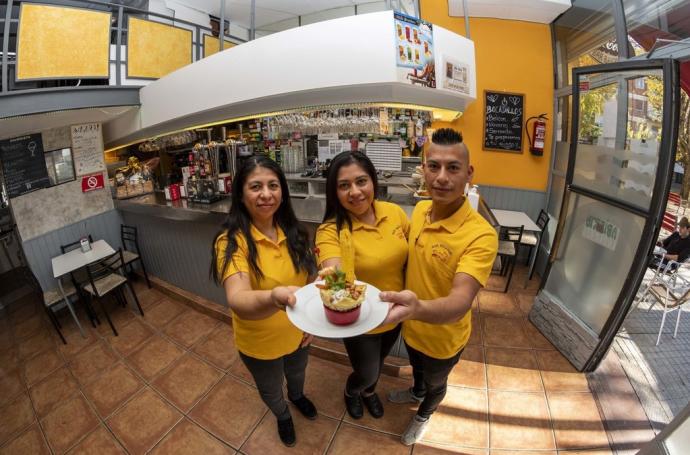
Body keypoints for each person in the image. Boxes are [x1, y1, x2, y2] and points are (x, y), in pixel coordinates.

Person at [380, 128, 498, 446]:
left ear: (468, 173)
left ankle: (425, 413)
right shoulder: (420, 210)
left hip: (444, 339)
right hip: (412, 327)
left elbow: (461, 299)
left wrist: (417, 308)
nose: (442, 177)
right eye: (434, 166)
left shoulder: (481, 236)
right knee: (416, 370)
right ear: (424, 168)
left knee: (436, 382)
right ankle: (415, 391)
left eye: (453, 168)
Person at [211, 156, 318, 447]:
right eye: (255, 186)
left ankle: (296, 397)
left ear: (283, 191)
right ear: (241, 195)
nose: (266, 194)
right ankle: (283, 414)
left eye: (273, 185)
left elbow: (308, 281)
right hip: (259, 343)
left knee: (297, 373)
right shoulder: (231, 241)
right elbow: (238, 298)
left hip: (298, 332)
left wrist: (311, 313)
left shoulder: (295, 233)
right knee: (271, 389)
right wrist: (273, 296)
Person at [315, 151, 409, 420]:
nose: (355, 192)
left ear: (373, 182)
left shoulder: (394, 213)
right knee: (366, 371)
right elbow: (334, 271)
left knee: (378, 364)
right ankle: (353, 391)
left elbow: (413, 251)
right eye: (344, 185)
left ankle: (368, 392)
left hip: (394, 314)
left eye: (361, 181)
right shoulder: (331, 230)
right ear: (335, 192)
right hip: (360, 319)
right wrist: (330, 278)